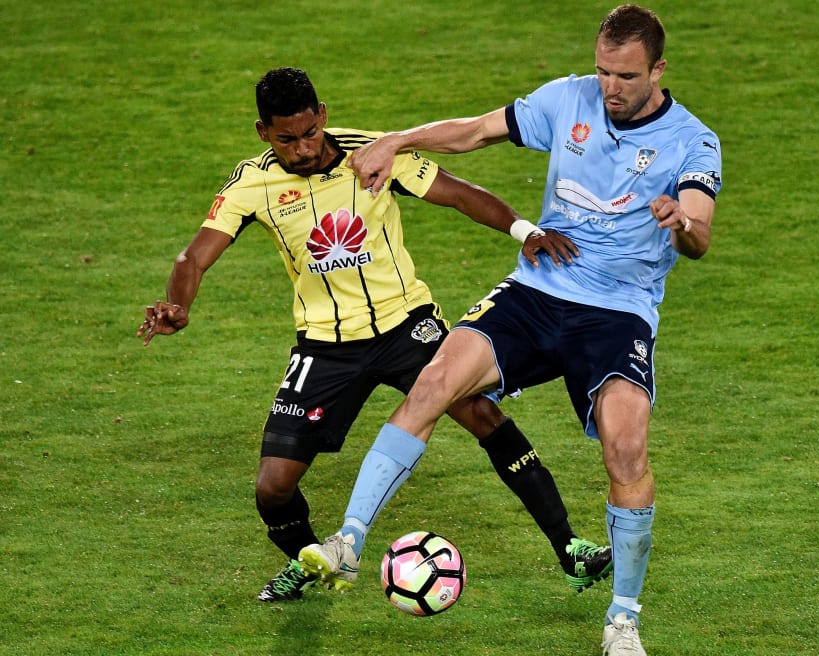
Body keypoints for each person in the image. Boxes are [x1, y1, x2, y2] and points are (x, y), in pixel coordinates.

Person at [303, 5, 722, 654]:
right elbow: (474, 132)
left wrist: (681, 224)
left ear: (659, 70)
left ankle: (622, 619)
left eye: (627, 76)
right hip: (539, 290)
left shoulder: (693, 141)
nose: (611, 86)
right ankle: (348, 542)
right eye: (604, 70)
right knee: (435, 381)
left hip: (617, 314)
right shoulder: (568, 99)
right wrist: (394, 140)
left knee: (626, 448)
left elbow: (699, 232)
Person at [136, 67, 612, 604]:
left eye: (310, 132)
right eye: (286, 139)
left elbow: (459, 195)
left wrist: (525, 230)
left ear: (323, 118)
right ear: (263, 133)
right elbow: (193, 257)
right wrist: (178, 303)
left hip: (408, 325)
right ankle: (311, 563)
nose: (303, 149)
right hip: (325, 345)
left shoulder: (377, 154)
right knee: (272, 488)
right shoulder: (253, 183)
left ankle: (570, 547)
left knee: (485, 417)